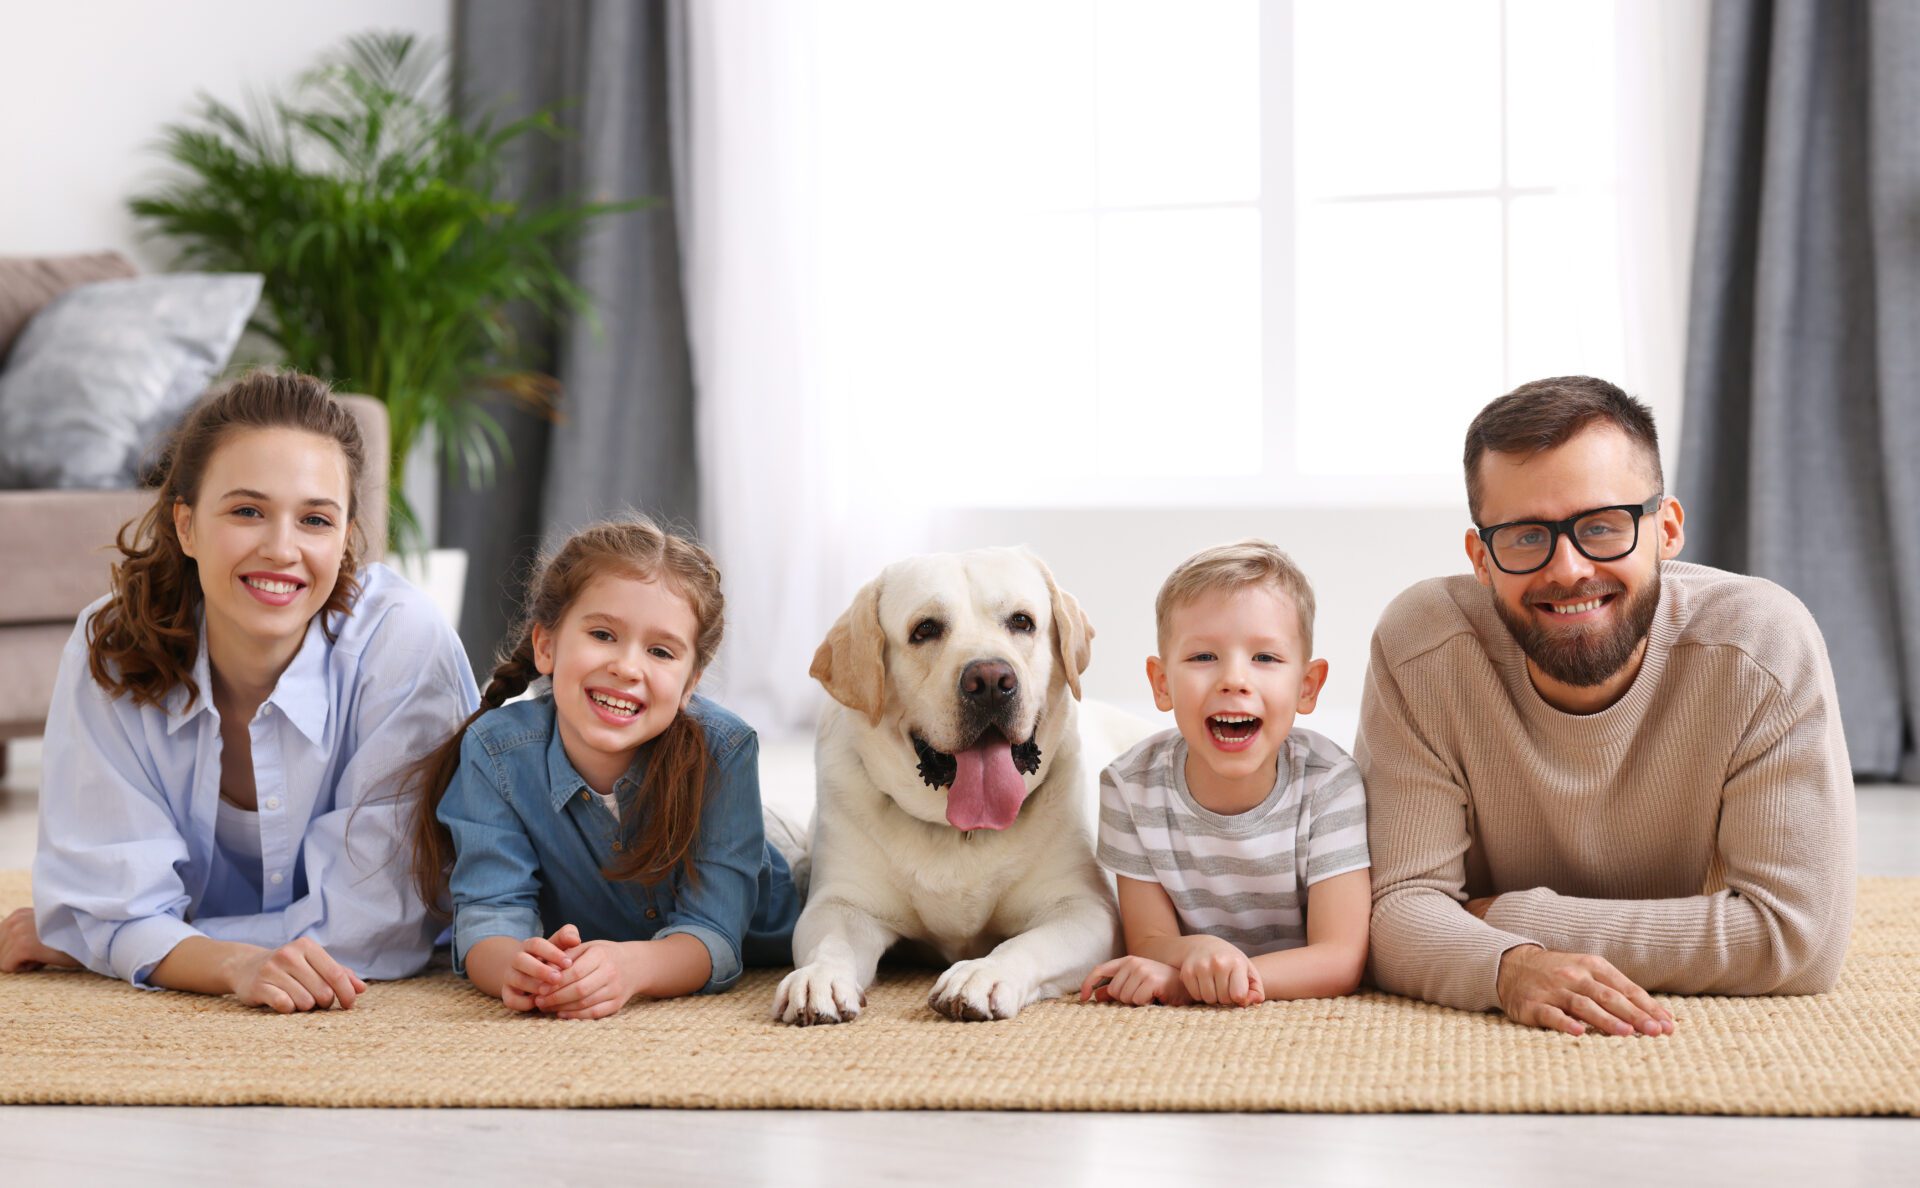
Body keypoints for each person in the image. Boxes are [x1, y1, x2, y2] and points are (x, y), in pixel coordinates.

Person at [1359, 375, 1855, 1037]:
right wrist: (1509, 969)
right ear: (1481, 558)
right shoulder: (1422, 644)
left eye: (1601, 526)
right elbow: (1396, 913)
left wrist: (1493, 920)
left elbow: (1797, 942)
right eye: (1526, 536)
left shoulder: (1761, 644)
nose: (1567, 569)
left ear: (1667, 529)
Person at [1, 371, 478, 1012]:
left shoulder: (404, 645)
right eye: (247, 511)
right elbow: (102, 904)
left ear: (345, 541)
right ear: (187, 525)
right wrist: (219, 960)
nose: (282, 549)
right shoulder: (110, 646)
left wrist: (123, 943)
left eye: (314, 519)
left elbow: (380, 930)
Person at [408, 515, 802, 1019]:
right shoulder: (495, 752)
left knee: (821, 871)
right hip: (594, 941)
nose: (627, 667)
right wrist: (515, 967)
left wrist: (633, 966)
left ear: (689, 685)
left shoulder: (726, 748)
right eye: (602, 634)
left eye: (660, 651)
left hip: (763, 915)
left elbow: (715, 934)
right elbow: (490, 916)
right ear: (546, 646)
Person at [1081, 540, 1370, 1008]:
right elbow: (1150, 940)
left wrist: (1189, 982)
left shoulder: (1330, 783)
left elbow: (1339, 958)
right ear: (1161, 683)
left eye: (1265, 658)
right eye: (1203, 657)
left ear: (1307, 686)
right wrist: (1197, 950)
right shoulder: (1129, 787)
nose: (1234, 679)